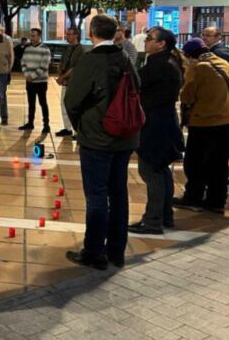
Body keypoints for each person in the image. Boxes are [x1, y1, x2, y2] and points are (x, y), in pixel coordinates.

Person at [65, 14, 140, 270]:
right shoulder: (125, 58)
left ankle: (94, 251)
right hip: (125, 137)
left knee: (96, 195)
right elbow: (136, 88)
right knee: (118, 193)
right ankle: (116, 251)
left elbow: (72, 101)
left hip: (98, 139)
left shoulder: (91, 61)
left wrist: (80, 127)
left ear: (92, 32)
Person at [128, 27, 184, 235]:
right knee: (161, 171)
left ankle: (152, 221)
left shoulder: (160, 65)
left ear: (161, 44)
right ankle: (165, 215)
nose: (145, 41)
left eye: (150, 39)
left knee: (151, 172)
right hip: (163, 124)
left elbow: (135, 84)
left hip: (155, 126)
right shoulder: (168, 62)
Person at [173, 38, 229, 215]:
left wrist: (187, 73)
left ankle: (193, 197)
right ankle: (216, 201)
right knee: (219, 165)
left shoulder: (199, 68)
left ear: (189, 55)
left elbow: (187, 96)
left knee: (195, 164)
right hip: (227, 122)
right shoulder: (223, 63)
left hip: (205, 123)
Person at [19, 28, 51, 133]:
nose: (31, 38)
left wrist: (32, 76)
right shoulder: (27, 49)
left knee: (43, 103)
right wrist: (26, 74)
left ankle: (46, 125)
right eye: (30, 36)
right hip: (29, 82)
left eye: (33, 36)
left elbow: (44, 66)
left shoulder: (45, 49)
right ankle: (30, 123)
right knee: (31, 103)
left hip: (41, 82)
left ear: (39, 36)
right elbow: (22, 62)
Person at [55, 27, 84, 138]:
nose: (67, 36)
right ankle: (67, 128)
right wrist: (60, 74)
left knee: (74, 107)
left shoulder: (80, 50)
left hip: (74, 83)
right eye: (66, 34)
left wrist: (62, 77)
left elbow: (75, 67)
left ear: (76, 35)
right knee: (63, 105)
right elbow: (62, 63)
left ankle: (77, 131)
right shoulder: (67, 48)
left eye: (69, 34)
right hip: (65, 82)